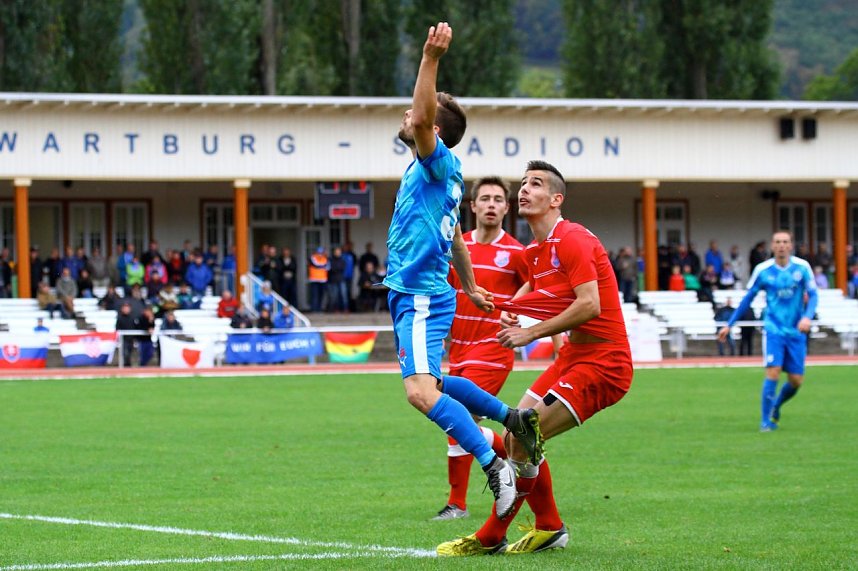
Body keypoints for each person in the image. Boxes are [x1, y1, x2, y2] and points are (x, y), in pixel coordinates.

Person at [437, 160, 633, 556]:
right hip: (574, 356)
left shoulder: (572, 238)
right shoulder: (536, 249)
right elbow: (540, 285)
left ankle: (491, 536)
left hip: (604, 363)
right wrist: (515, 306)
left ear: (556, 199)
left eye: (536, 184)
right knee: (515, 436)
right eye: (524, 183)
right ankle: (549, 527)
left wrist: (530, 331)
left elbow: (590, 304)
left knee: (523, 438)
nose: (525, 189)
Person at [385, 22, 538, 528]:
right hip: (419, 292)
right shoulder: (437, 176)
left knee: (420, 393)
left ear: (432, 127)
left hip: (420, 294)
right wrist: (470, 284)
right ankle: (512, 419)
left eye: (415, 114)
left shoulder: (435, 162)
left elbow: (422, 116)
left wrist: (430, 58)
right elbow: (453, 237)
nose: (407, 117)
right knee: (436, 383)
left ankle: (495, 465)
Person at [432, 176, 529, 521]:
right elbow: (445, 290)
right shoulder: (457, 247)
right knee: (457, 423)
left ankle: (457, 504)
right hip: (458, 349)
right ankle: (522, 454)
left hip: (493, 350)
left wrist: (518, 313)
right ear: (472, 206)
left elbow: (539, 290)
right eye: (485, 198)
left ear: (506, 207)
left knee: (457, 418)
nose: (491, 204)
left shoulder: (517, 253)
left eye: (498, 199)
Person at [718, 230, 818, 432]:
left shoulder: (802, 267)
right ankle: (765, 422)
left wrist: (807, 316)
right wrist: (730, 323)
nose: (781, 245)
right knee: (773, 371)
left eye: (785, 242)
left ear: (791, 246)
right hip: (773, 330)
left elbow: (813, 295)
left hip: (795, 332)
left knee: (796, 380)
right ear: (772, 246)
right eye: (778, 242)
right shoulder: (763, 270)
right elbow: (748, 299)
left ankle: (776, 405)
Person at [308, 246, 329, 312]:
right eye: (319, 252)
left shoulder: (325, 258)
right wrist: (323, 266)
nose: (320, 253)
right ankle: (314, 309)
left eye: (321, 252)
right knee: (314, 295)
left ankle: (319, 309)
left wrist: (323, 266)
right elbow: (316, 264)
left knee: (321, 295)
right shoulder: (313, 257)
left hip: (323, 280)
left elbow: (328, 267)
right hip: (314, 279)